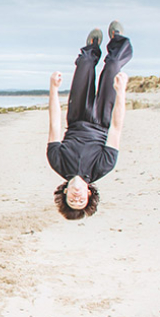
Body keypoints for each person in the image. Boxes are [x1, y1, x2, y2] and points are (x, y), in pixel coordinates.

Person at [47, 21, 132, 219]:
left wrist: (53, 88)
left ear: (66, 192)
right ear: (89, 193)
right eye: (81, 200)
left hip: (77, 117)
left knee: (85, 63)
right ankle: (117, 41)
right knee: (112, 66)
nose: (77, 197)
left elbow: (54, 123)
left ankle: (92, 47)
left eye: (72, 200)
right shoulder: (104, 166)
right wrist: (121, 92)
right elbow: (117, 128)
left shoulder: (56, 162)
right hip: (103, 120)